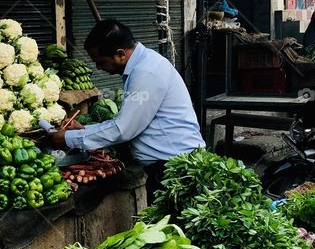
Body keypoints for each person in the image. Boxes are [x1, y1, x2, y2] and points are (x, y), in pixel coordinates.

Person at [51, 20, 205, 201]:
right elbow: (128, 121)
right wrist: (85, 131)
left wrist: (68, 138)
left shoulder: (146, 72)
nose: (100, 68)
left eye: (100, 62)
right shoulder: (145, 63)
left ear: (120, 54)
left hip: (175, 169)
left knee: (171, 228)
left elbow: (123, 129)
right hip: (173, 165)